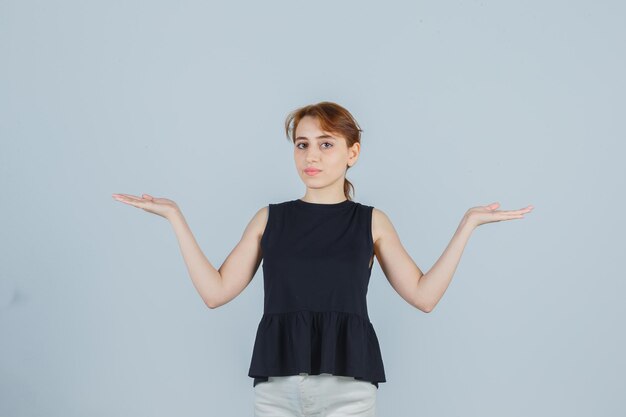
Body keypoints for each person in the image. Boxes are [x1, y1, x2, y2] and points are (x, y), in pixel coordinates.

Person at [112, 101, 534, 416]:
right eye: (302, 144)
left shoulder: (372, 222)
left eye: (326, 144)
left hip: (349, 391)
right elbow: (215, 291)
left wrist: (467, 225)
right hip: (276, 390)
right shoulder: (269, 218)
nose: (311, 156)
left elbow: (424, 295)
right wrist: (174, 217)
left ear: (352, 153)